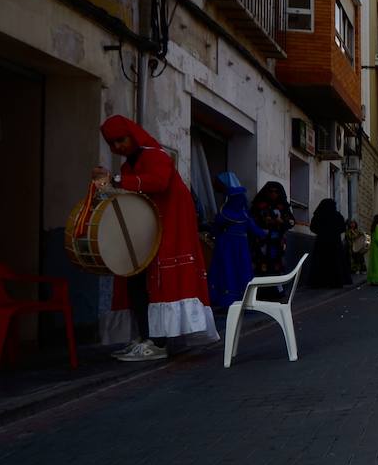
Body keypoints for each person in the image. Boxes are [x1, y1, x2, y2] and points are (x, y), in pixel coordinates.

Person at [92, 116, 217, 361]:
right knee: (136, 282)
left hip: (169, 226)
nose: (118, 147)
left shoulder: (155, 156)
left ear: (133, 135)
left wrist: (115, 180)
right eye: (112, 143)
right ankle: (144, 337)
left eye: (121, 140)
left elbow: (158, 183)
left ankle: (157, 342)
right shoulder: (129, 166)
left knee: (156, 282)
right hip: (148, 230)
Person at [206, 171, 264, 309]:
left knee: (227, 270)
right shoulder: (244, 214)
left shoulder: (225, 212)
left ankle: (226, 300)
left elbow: (217, 226)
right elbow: (258, 232)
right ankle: (243, 300)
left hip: (226, 246)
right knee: (240, 270)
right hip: (242, 247)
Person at [250, 181, 296, 278]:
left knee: (277, 265)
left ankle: (277, 290)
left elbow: (291, 222)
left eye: (276, 192)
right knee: (261, 264)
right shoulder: (259, 205)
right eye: (270, 191)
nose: (273, 194)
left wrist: (281, 222)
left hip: (277, 241)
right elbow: (250, 220)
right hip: (261, 241)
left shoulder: (283, 206)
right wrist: (263, 221)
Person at [308, 199, 350, 288]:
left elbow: (312, 228)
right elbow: (343, 228)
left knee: (321, 263)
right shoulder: (337, 215)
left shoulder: (318, 215)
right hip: (335, 243)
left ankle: (320, 283)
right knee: (335, 263)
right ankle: (335, 282)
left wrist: (322, 232)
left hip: (321, 243)